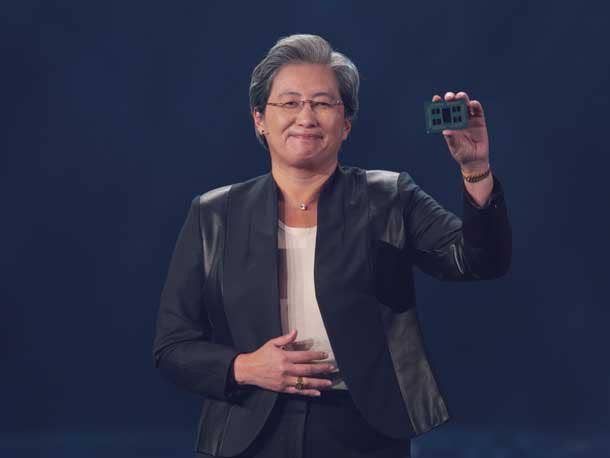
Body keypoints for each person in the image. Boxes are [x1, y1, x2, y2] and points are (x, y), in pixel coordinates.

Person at [153, 34, 511, 458]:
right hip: (248, 427)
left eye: (322, 103)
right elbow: (173, 346)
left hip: (363, 429)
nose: (306, 117)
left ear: (346, 124)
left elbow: (478, 261)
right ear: (259, 119)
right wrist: (245, 367)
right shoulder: (214, 214)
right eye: (289, 103)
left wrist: (475, 168)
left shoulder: (389, 197)